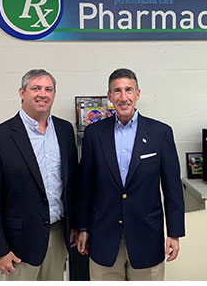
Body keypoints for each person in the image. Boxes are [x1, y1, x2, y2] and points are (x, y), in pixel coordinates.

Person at [76, 68, 185, 281]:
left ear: (138, 94)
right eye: (117, 91)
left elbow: (172, 188)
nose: (123, 97)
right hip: (104, 237)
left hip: (147, 236)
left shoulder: (160, 133)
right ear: (109, 97)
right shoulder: (94, 134)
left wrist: (174, 233)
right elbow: (85, 187)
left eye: (128, 90)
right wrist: (82, 228)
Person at [0, 69, 78, 281]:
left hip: (58, 237)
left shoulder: (65, 130)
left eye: (48, 89)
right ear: (22, 93)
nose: (43, 94)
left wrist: (75, 225)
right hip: (17, 246)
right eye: (36, 88)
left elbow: (71, 185)